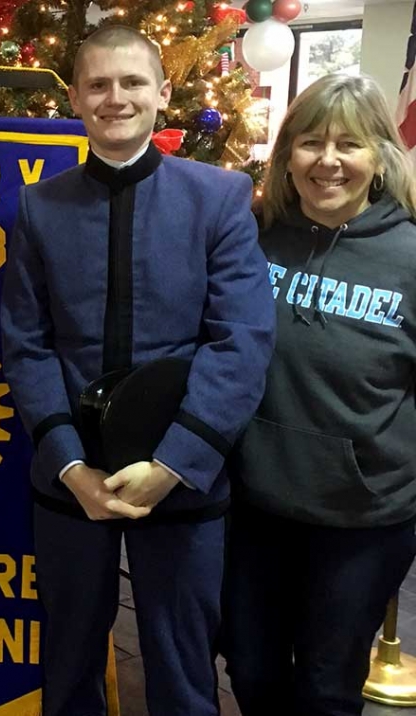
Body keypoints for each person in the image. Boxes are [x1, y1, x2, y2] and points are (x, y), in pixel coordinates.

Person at [0, 26, 276, 716]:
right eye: (97, 84)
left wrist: (174, 462)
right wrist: (69, 464)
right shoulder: (40, 207)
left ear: (163, 92)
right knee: (67, 664)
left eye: (130, 83)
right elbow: (27, 344)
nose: (114, 98)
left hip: (183, 473)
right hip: (71, 478)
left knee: (183, 669)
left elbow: (240, 340)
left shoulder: (219, 198)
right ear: (75, 97)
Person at [222, 73, 416, 716]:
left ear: (379, 156)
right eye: (309, 143)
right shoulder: (251, 234)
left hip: (363, 518)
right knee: (251, 668)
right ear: (286, 156)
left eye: (348, 145)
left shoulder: (410, 255)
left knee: (327, 690)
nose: (327, 161)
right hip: (254, 504)